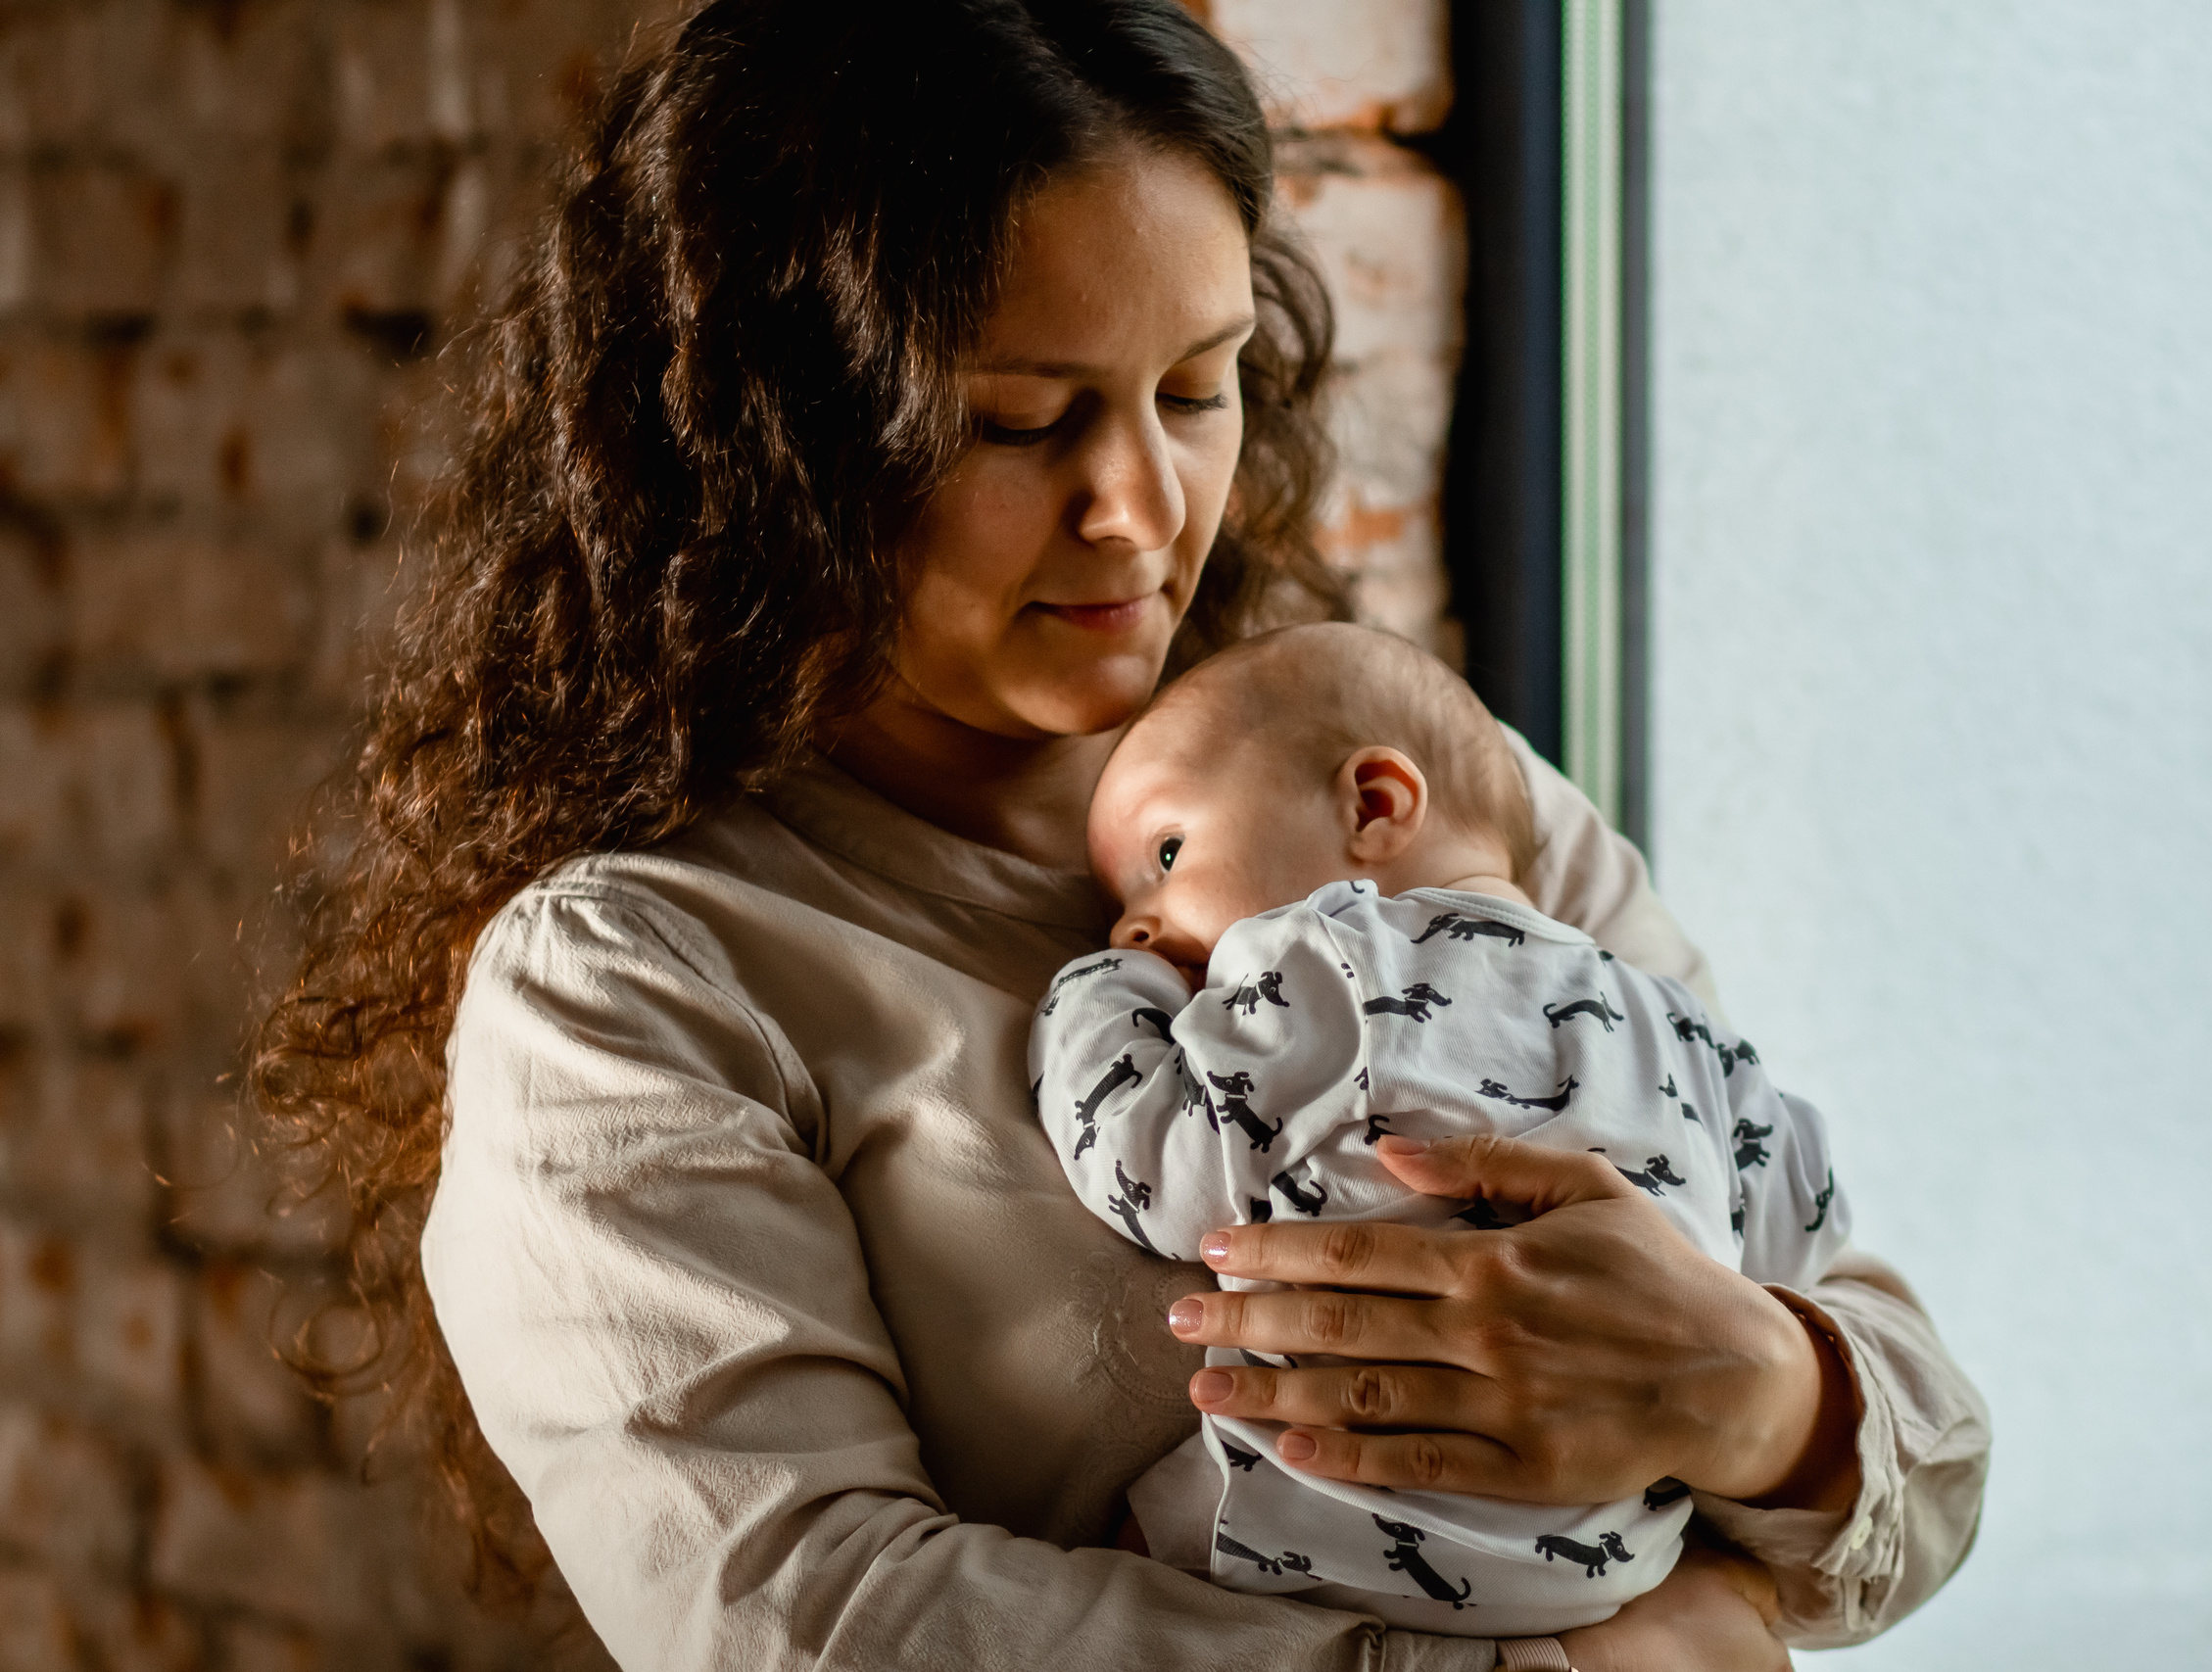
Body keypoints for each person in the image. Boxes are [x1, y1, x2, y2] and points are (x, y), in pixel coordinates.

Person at [250, 5, 1991, 1670]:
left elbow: (1920, 1438)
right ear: (780, 431)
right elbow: (800, 1620)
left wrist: (1761, 1392)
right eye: (1024, 419)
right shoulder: (639, 980)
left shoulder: (1406, 799)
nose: (1141, 507)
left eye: (1199, 388)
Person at [1032, 623, 1852, 1639]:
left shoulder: (1329, 961)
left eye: (1166, 853)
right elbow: (1803, 1228)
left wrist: (1097, 998)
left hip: (1337, 1514)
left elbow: (1160, 1175)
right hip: (1615, 1561)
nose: (1134, 923)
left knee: (1106, 1571)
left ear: (1373, 807)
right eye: (1128, 906)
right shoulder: (1681, 1026)